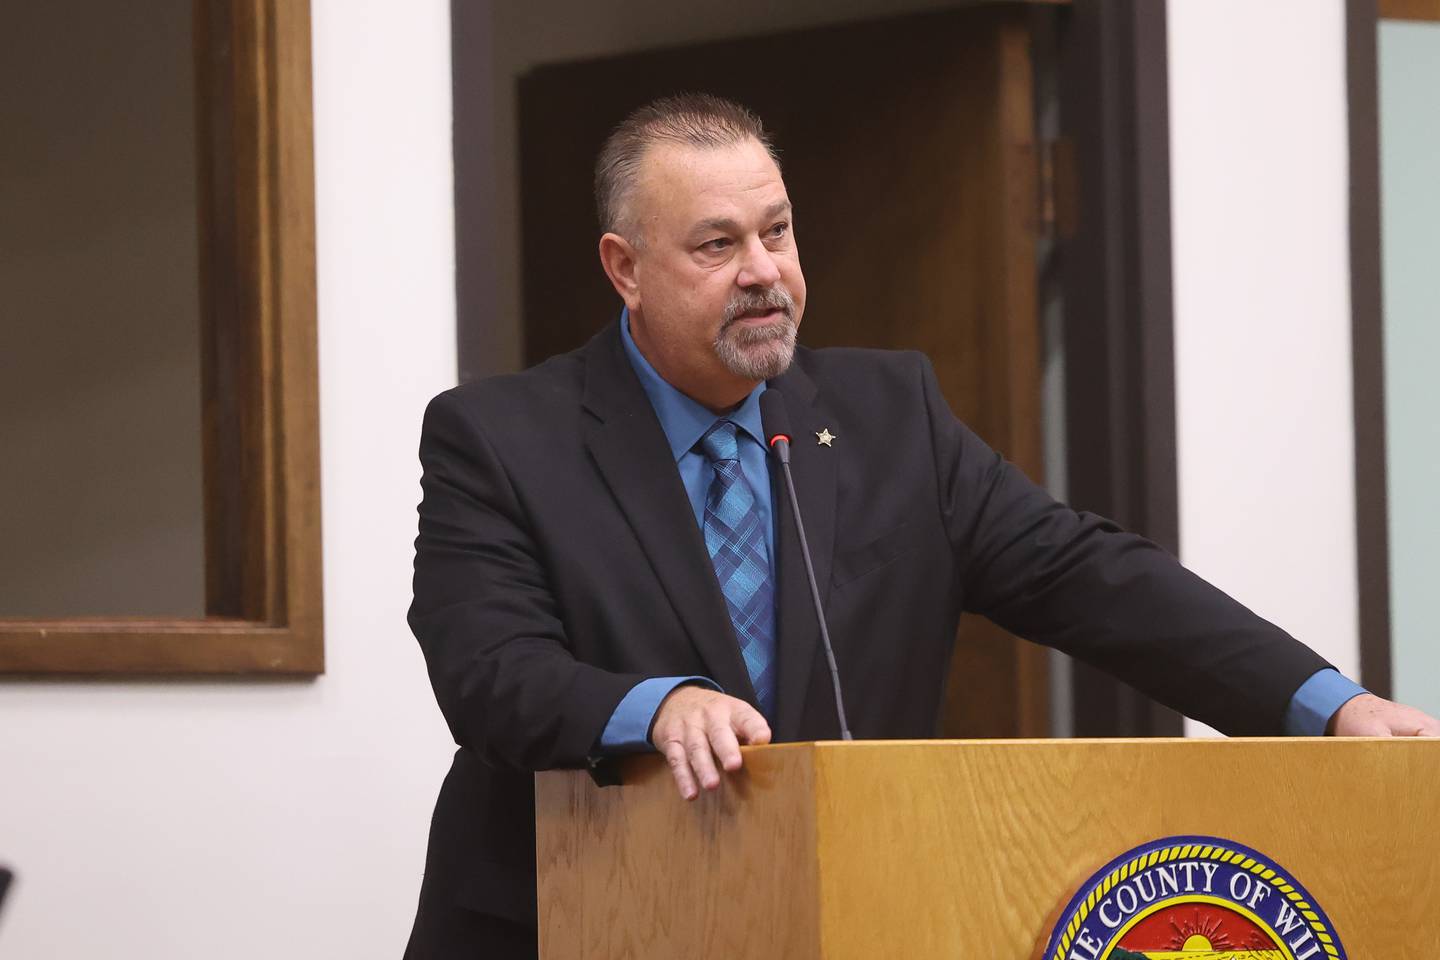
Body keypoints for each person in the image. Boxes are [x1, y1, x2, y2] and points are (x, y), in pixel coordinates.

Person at [403, 94, 1438, 959]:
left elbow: (1089, 576)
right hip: (567, 923)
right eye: (717, 245)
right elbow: (487, 668)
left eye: (778, 230)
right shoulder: (500, 439)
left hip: (840, 922)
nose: (764, 270)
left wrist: (1323, 707)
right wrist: (650, 705)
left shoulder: (889, 416)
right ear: (624, 268)